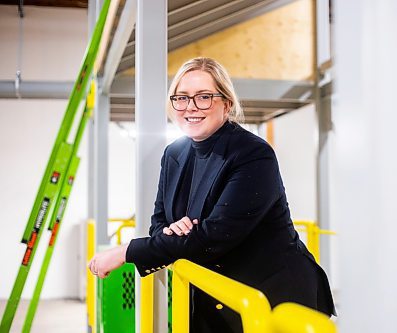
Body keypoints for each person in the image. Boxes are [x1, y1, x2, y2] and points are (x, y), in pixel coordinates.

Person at [88, 57, 335, 332]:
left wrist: (128, 251)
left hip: (271, 297)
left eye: (204, 97)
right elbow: (158, 224)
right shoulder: (174, 154)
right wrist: (172, 230)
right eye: (181, 97)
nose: (191, 107)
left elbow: (215, 236)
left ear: (227, 104)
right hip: (213, 295)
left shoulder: (253, 154)